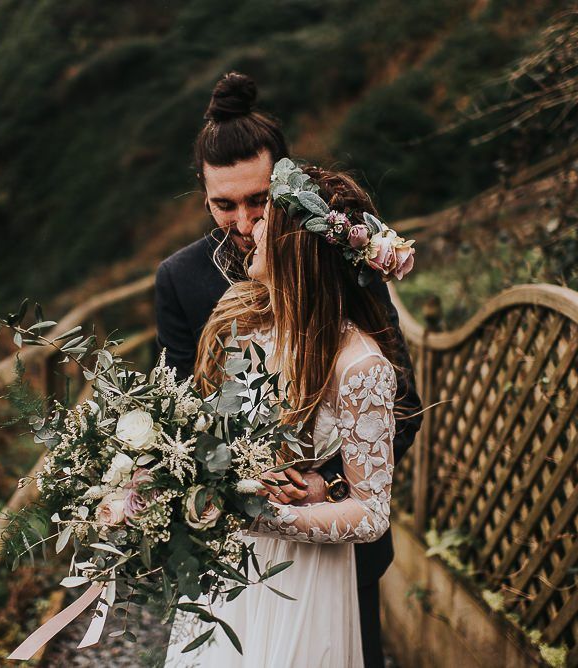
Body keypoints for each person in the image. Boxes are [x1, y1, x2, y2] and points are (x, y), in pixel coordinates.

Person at [156, 73, 421, 667]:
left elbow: (397, 402)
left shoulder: (334, 262)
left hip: (333, 552)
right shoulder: (181, 279)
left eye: (258, 202)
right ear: (203, 196)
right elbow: (180, 409)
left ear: (283, 185)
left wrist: (327, 487)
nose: (246, 223)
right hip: (230, 555)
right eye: (225, 205)